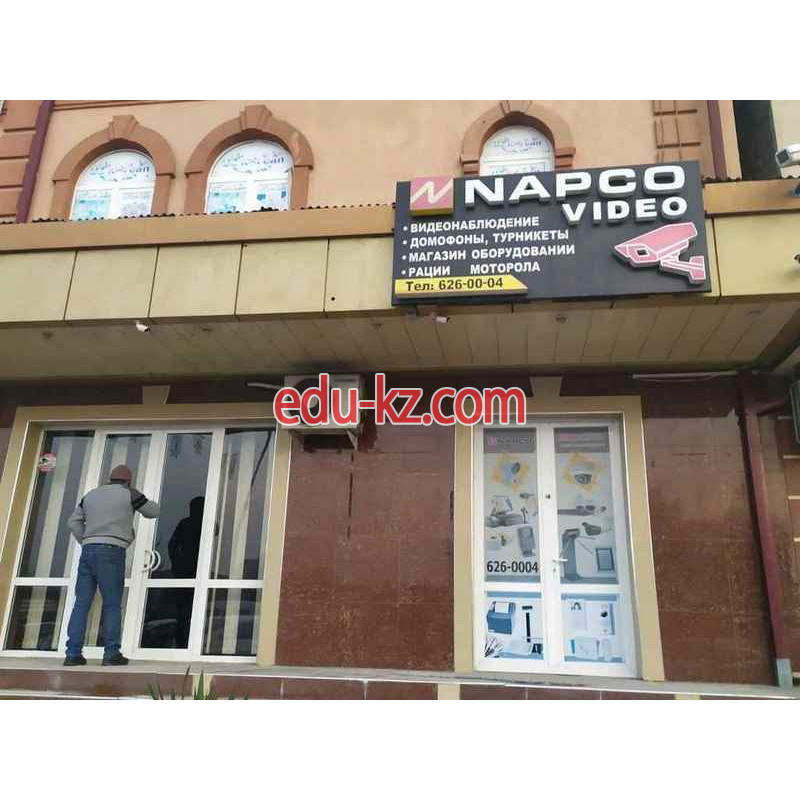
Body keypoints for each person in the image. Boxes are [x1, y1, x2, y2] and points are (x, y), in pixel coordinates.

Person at [63, 465, 160, 666]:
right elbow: (153, 512)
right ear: (128, 481)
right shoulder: (129, 494)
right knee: (112, 604)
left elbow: (72, 522)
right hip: (111, 552)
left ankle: (72, 654)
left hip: (88, 552)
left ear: (110, 478)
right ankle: (111, 654)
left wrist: (87, 541)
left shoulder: (90, 495)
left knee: (81, 603)